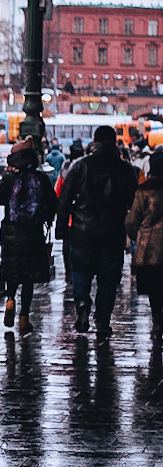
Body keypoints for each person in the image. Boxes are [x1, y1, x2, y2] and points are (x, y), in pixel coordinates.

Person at [56, 123, 139, 338]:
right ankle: (102, 320)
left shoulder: (80, 165)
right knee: (108, 278)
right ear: (114, 143)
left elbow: (64, 200)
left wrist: (62, 229)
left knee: (81, 272)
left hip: (82, 231)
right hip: (113, 232)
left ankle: (82, 303)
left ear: (94, 141)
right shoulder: (125, 169)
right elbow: (134, 204)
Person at [0, 138, 58, 337]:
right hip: (33, 234)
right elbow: (52, 203)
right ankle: (24, 318)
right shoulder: (40, 179)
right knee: (28, 278)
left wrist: (4, 179)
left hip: (12, 233)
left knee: (12, 271)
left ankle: (10, 299)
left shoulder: (10, 178)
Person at [127, 148, 163, 346]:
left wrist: (138, 237)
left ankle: (157, 321)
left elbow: (132, 220)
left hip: (151, 249)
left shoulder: (144, 189)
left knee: (155, 289)